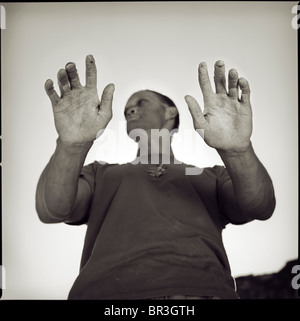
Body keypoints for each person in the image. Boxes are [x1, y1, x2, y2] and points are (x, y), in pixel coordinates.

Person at [35, 55, 276, 300]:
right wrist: (72, 145)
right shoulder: (100, 173)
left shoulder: (212, 176)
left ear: (170, 112)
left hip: (203, 293)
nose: (130, 109)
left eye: (142, 102)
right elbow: (53, 209)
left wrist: (237, 151)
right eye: (128, 107)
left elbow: (260, 205)